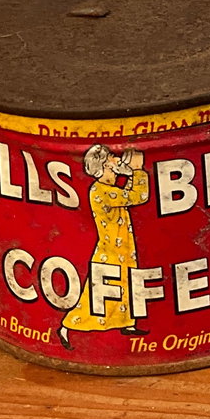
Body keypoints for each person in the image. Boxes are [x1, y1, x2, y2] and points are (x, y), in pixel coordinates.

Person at [58, 143, 149, 349]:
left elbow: (127, 196)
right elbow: (139, 196)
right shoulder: (101, 191)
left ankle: (127, 323)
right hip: (110, 249)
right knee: (97, 292)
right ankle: (66, 327)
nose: (117, 160)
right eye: (112, 158)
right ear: (105, 166)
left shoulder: (111, 189)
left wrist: (131, 173)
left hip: (123, 246)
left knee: (125, 284)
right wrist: (137, 170)